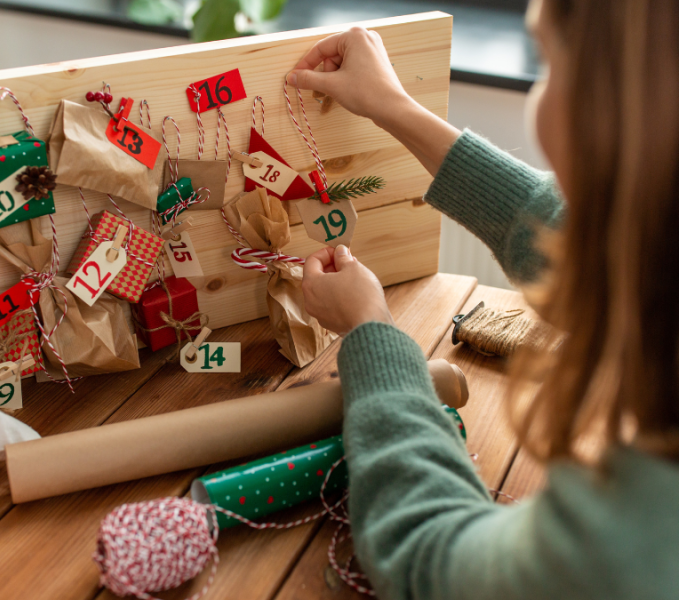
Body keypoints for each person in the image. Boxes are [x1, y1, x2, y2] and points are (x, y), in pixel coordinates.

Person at [291, 0, 679, 598]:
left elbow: (432, 555)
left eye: (548, 62)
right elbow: (595, 249)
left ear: (620, 114)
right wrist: (394, 107)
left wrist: (371, 333)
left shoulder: (636, 536)